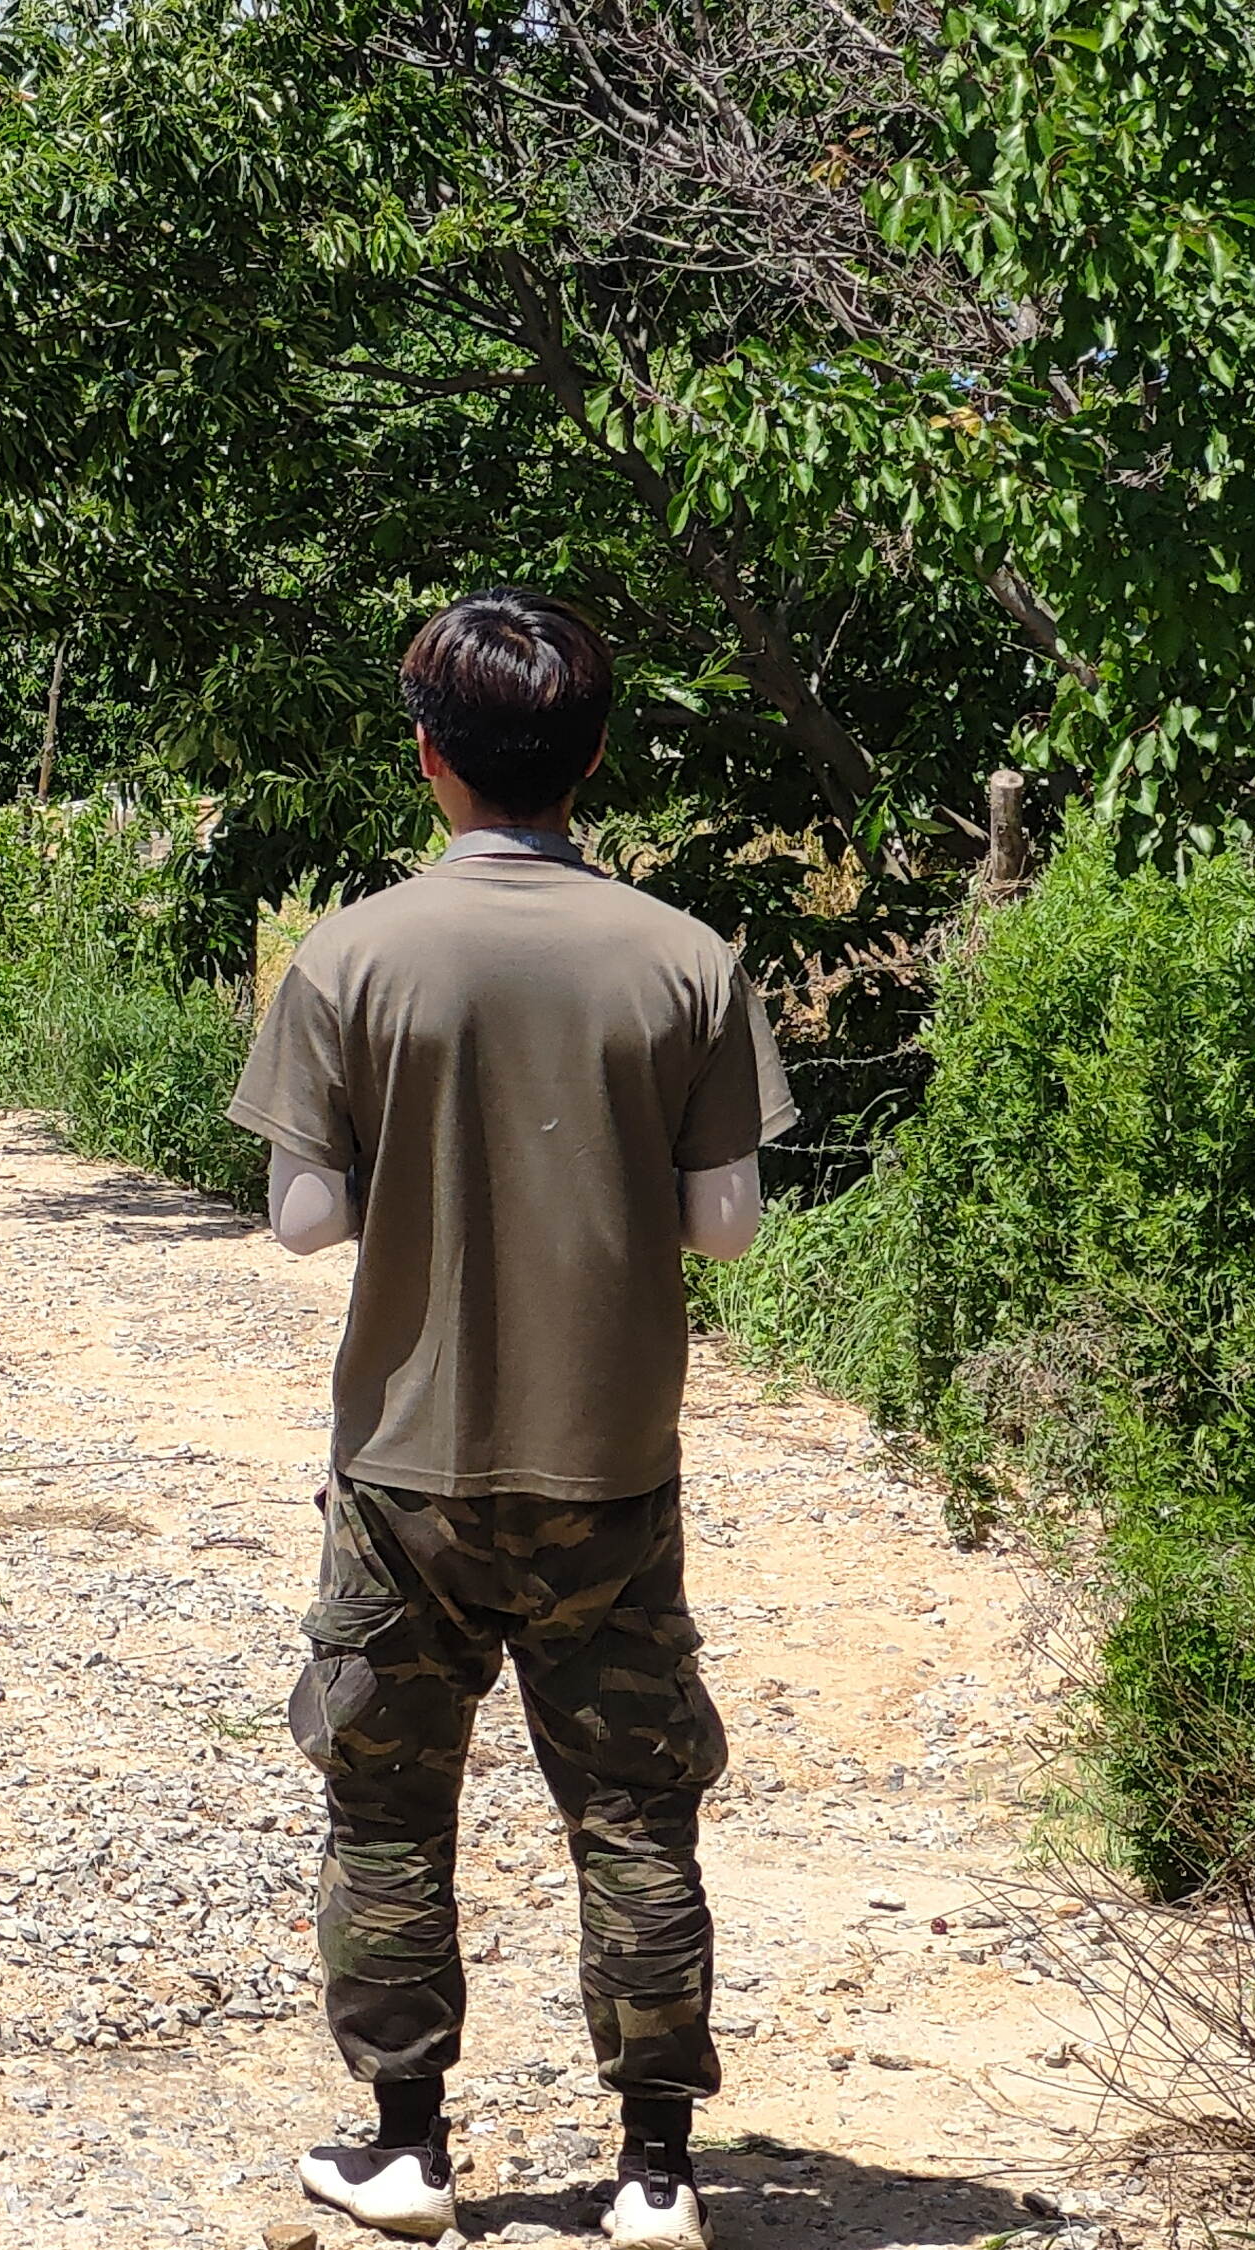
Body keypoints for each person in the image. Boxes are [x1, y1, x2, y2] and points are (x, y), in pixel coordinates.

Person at [227, 590, 793, 2250]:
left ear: (430, 762)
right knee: (634, 1806)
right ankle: (657, 2171)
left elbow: (304, 1223)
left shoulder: (349, 953)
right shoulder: (687, 958)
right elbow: (729, 1228)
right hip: (615, 1467)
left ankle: (408, 2145)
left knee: (390, 1801)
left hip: (404, 1472)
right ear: (594, 756)